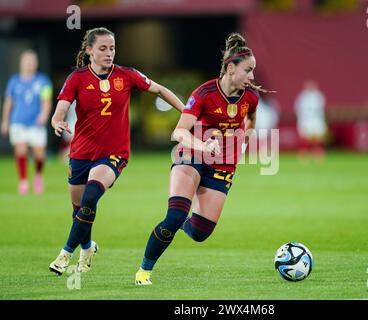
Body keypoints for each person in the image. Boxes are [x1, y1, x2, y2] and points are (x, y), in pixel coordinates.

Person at [48, 27, 184, 275]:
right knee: (79, 211)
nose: (109, 53)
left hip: (114, 154)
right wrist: (57, 122)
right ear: (89, 50)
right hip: (80, 154)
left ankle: (65, 254)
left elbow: (160, 90)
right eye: (102, 48)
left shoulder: (127, 75)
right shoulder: (77, 79)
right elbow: (60, 111)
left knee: (90, 197)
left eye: (112, 48)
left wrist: (188, 113)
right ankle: (87, 247)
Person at [135, 32, 266, 285]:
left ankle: (184, 221)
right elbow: (179, 131)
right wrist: (203, 146)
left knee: (201, 232)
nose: (252, 77)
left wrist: (244, 141)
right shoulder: (204, 93)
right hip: (191, 154)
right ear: (230, 68)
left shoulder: (251, 97)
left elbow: (250, 119)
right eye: (248, 70)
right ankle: (144, 270)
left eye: (253, 71)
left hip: (223, 163)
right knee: (173, 216)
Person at [1, 49, 52, 194]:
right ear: (21, 63)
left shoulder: (43, 81)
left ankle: (38, 176)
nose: (29, 64)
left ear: (36, 63)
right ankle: (23, 181)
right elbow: (9, 102)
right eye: (27, 61)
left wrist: (44, 114)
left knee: (39, 155)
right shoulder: (14, 81)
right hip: (18, 121)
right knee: (21, 150)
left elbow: (46, 100)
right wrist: (5, 120)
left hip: (36, 123)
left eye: (32, 61)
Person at [294, 80, 327, 161]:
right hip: (305, 119)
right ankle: (303, 154)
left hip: (316, 119)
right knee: (304, 137)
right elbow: (297, 108)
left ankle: (318, 154)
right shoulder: (302, 96)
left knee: (317, 138)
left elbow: (320, 108)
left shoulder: (318, 96)